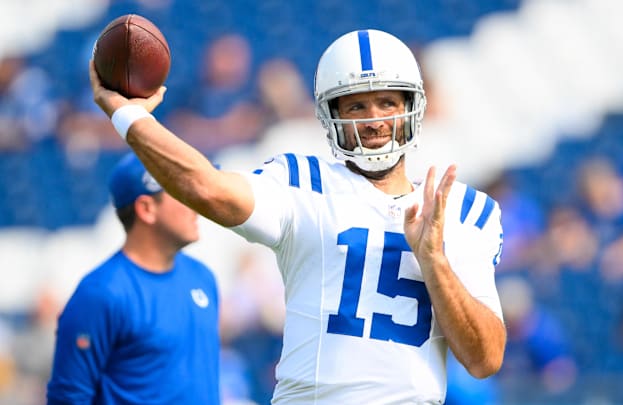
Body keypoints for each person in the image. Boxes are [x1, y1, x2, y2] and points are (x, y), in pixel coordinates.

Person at [89, 29, 506, 404]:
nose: (375, 120)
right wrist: (130, 116)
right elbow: (205, 186)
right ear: (331, 117)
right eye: (356, 106)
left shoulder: (464, 212)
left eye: (387, 101)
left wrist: (434, 259)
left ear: (412, 106)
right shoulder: (302, 183)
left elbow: (485, 358)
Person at [46, 153, 220, 404]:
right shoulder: (100, 294)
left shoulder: (203, 277)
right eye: (182, 192)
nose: (196, 203)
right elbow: (69, 396)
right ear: (146, 209)